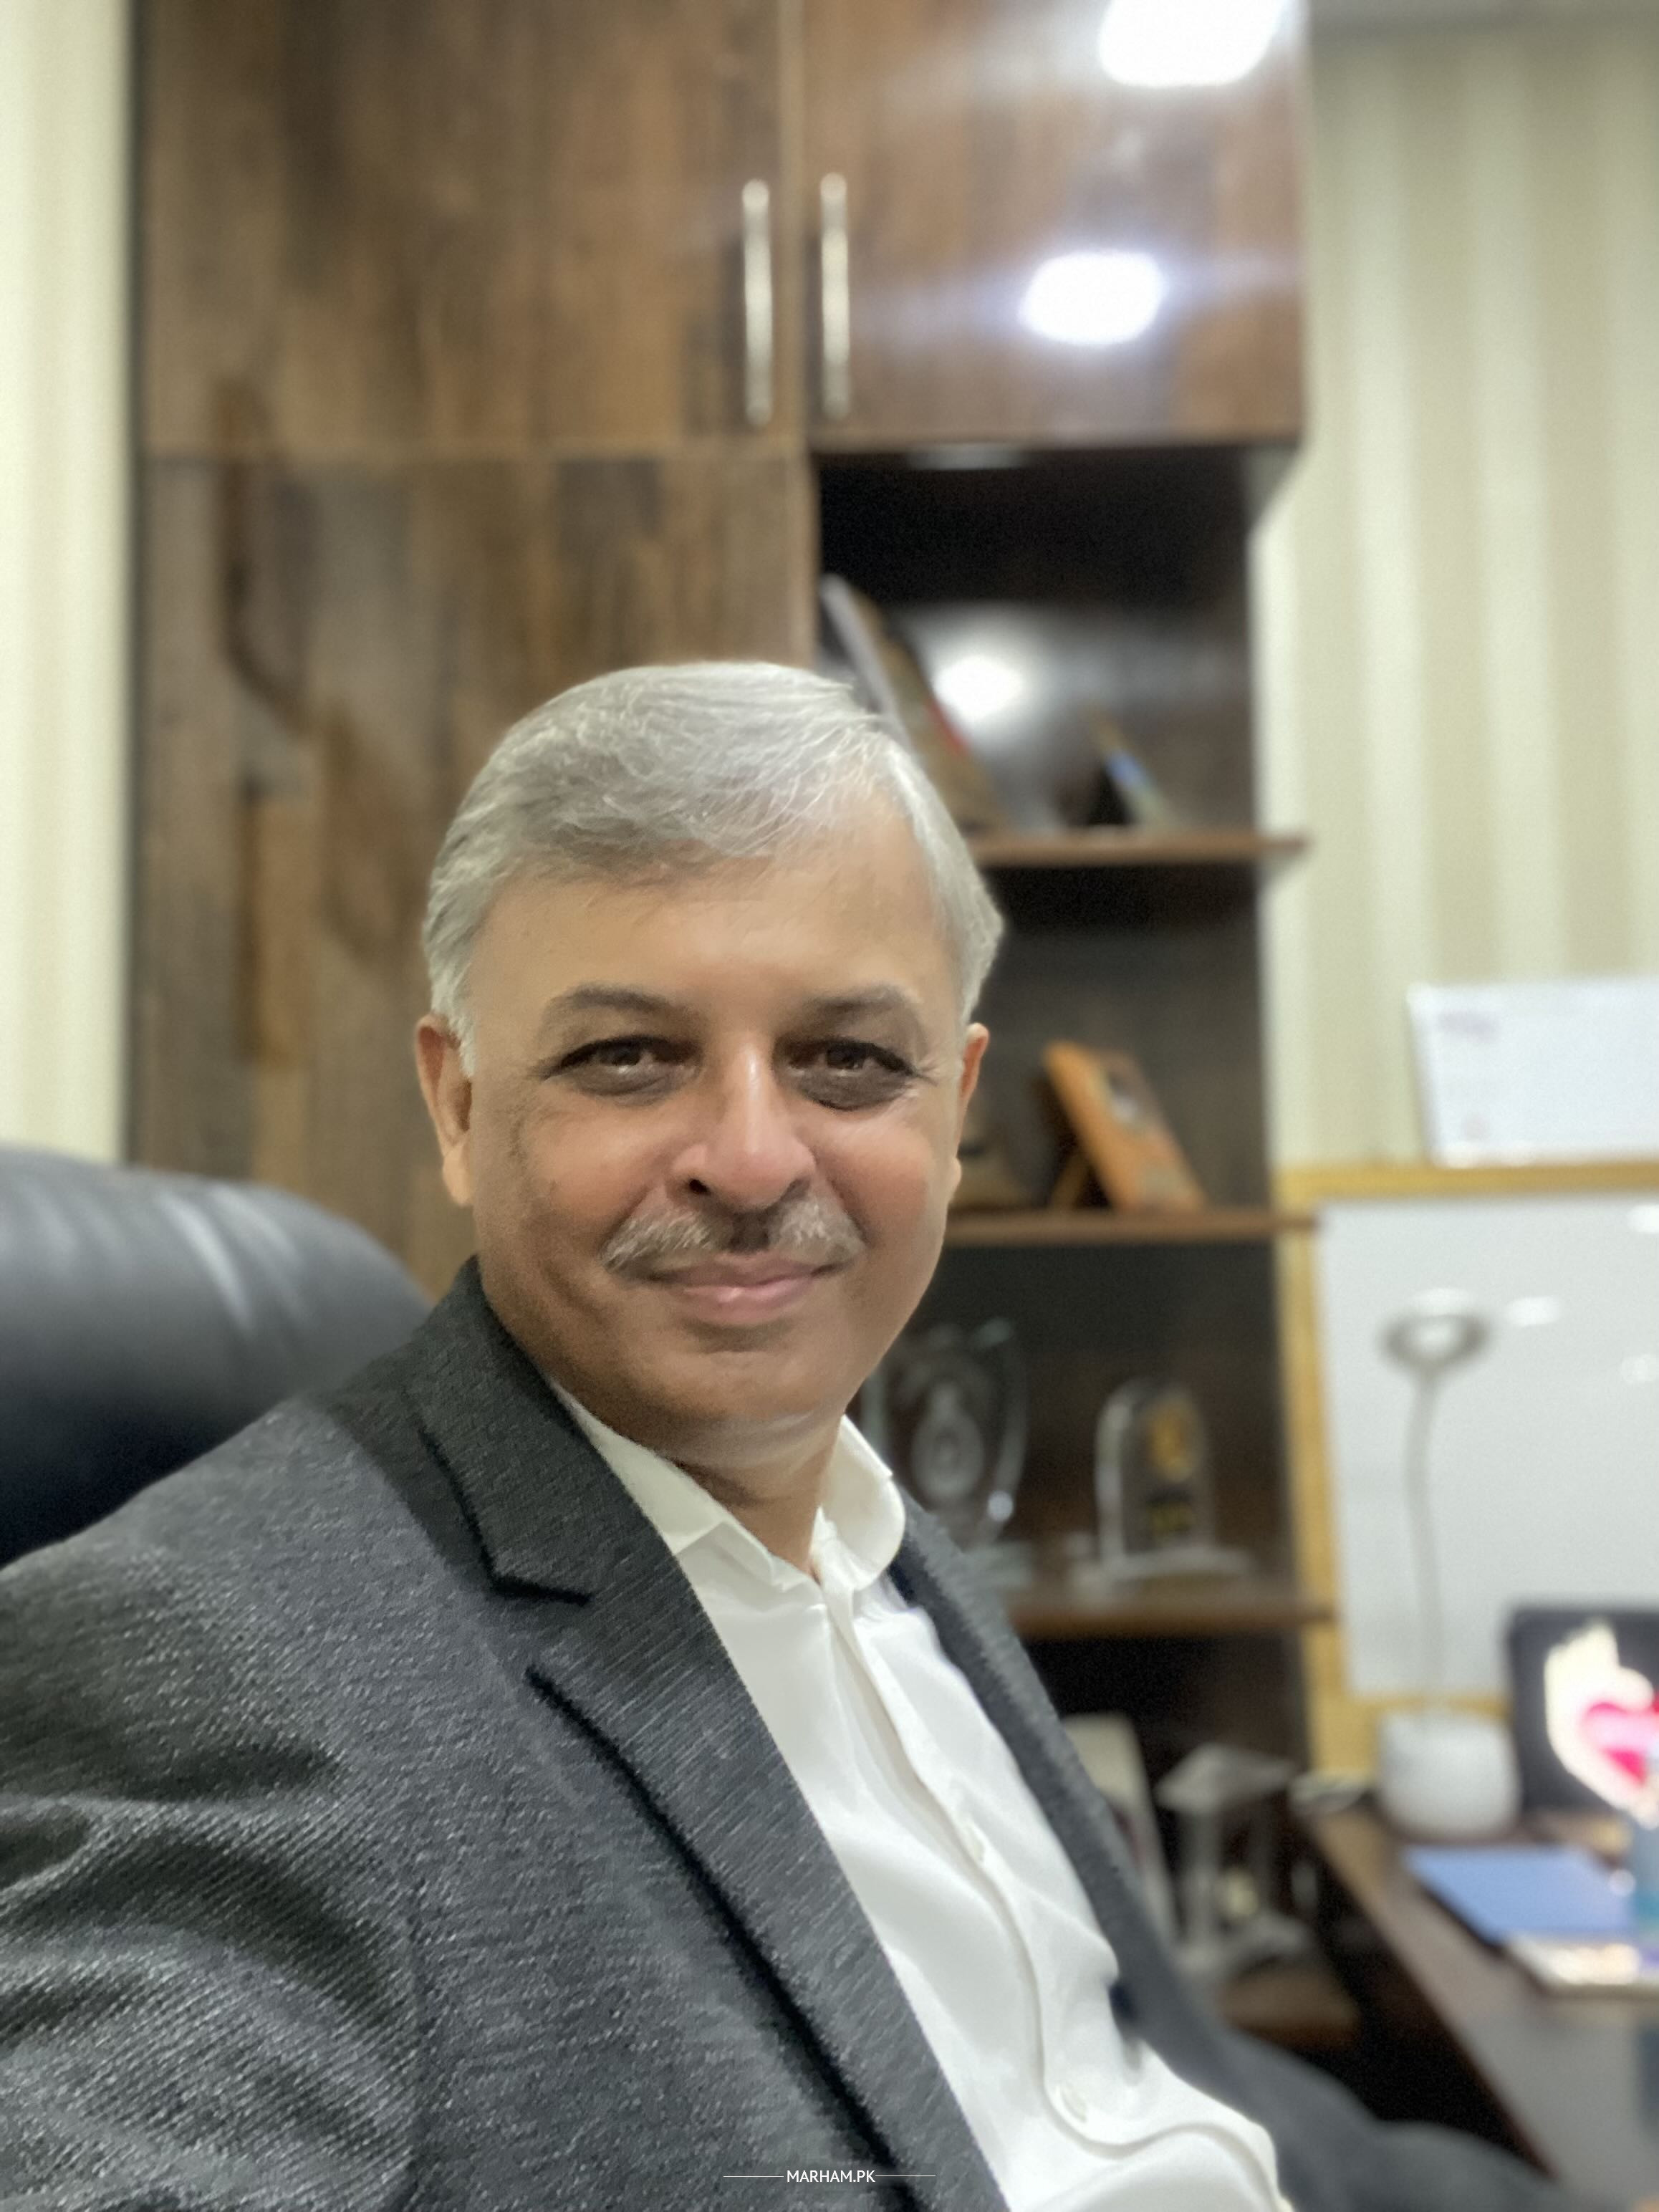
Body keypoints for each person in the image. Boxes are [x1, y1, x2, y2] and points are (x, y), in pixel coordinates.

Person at [0, 665, 1602, 2211]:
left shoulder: (882, 1538)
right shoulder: (208, 1660)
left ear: (954, 1108)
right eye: (628, 1056)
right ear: (458, 1103)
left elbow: (1141, 2088)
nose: (755, 1159)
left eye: (849, 1059)